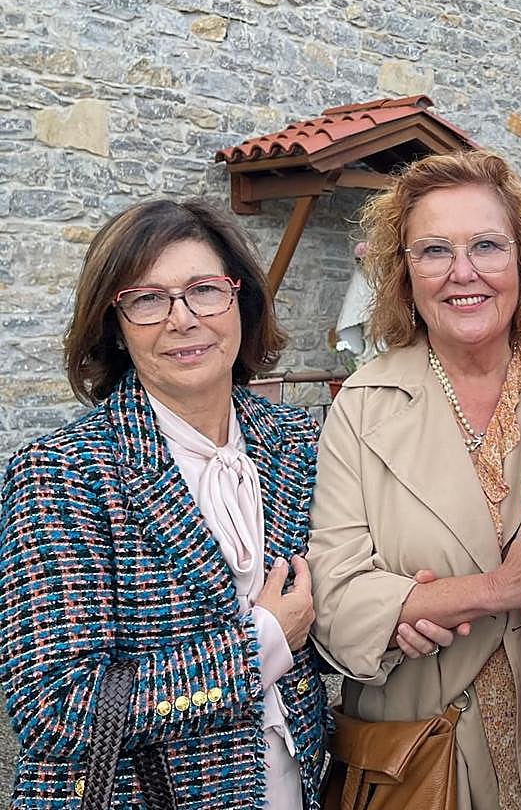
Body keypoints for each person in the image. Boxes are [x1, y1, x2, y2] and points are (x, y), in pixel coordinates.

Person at [0, 200, 327, 808]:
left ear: (241, 302)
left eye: (204, 290)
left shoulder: (298, 442)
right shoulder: (59, 472)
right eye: (147, 300)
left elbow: (323, 618)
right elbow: (52, 707)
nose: (183, 319)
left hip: (292, 783)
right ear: (114, 324)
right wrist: (259, 643)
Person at [307, 150, 521, 810]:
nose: (462, 273)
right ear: (404, 273)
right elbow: (336, 600)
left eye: (487, 246)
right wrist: (496, 588)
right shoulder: (363, 402)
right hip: (416, 762)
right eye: (434, 250)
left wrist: (419, 602)